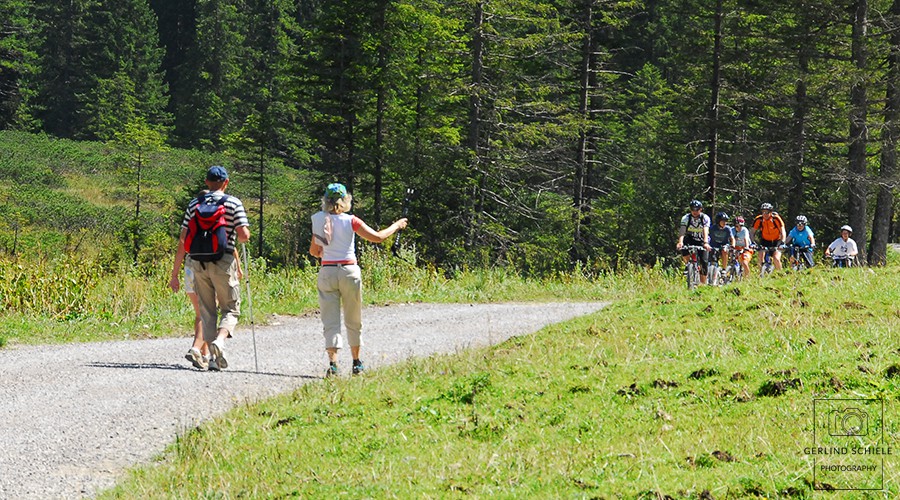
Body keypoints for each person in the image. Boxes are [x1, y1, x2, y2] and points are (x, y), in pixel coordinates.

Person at [309, 183, 408, 377]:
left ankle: (333, 364)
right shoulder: (351, 221)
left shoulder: (320, 220)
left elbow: (314, 251)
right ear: (345, 200)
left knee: (330, 321)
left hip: (327, 271)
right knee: (353, 318)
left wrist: (323, 250)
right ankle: (356, 362)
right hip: (349, 271)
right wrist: (396, 225)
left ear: (326, 201)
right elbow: (378, 237)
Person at [174, 166, 250, 371]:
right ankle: (220, 341)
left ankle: (213, 360)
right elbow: (243, 236)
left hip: (198, 263)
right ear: (226, 182)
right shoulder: (233, 203)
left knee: (207, 311)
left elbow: (183, 237)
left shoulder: (194, 204)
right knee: (231, 308)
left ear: (207, 182)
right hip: (223, 261)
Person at [676, 200, 712, 285]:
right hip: (690, 238)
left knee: (704, 262)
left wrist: (706, 242)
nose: (695, 212)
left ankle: (702, 284)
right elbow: (682, 230)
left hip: (702, 240)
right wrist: (680, 242)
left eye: (697, 209)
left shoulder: (704, 218)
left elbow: (705, 230)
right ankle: (688, 264)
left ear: (701, 209)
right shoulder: (686, 218)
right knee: (683, 247)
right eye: (693, 209)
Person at [752, 202, 786, 271]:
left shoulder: (776, 219)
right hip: (765, 240)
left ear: (771, 212)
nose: (765, 214)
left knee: (776, 258)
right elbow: (752, 232)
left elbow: (783, 231)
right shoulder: (759, 219)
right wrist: (753, 242)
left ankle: (780, 274)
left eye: (767, 212)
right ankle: (760, 274)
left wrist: (782, 242)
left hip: (777, 241)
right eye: (763, 212)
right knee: (760, 255)